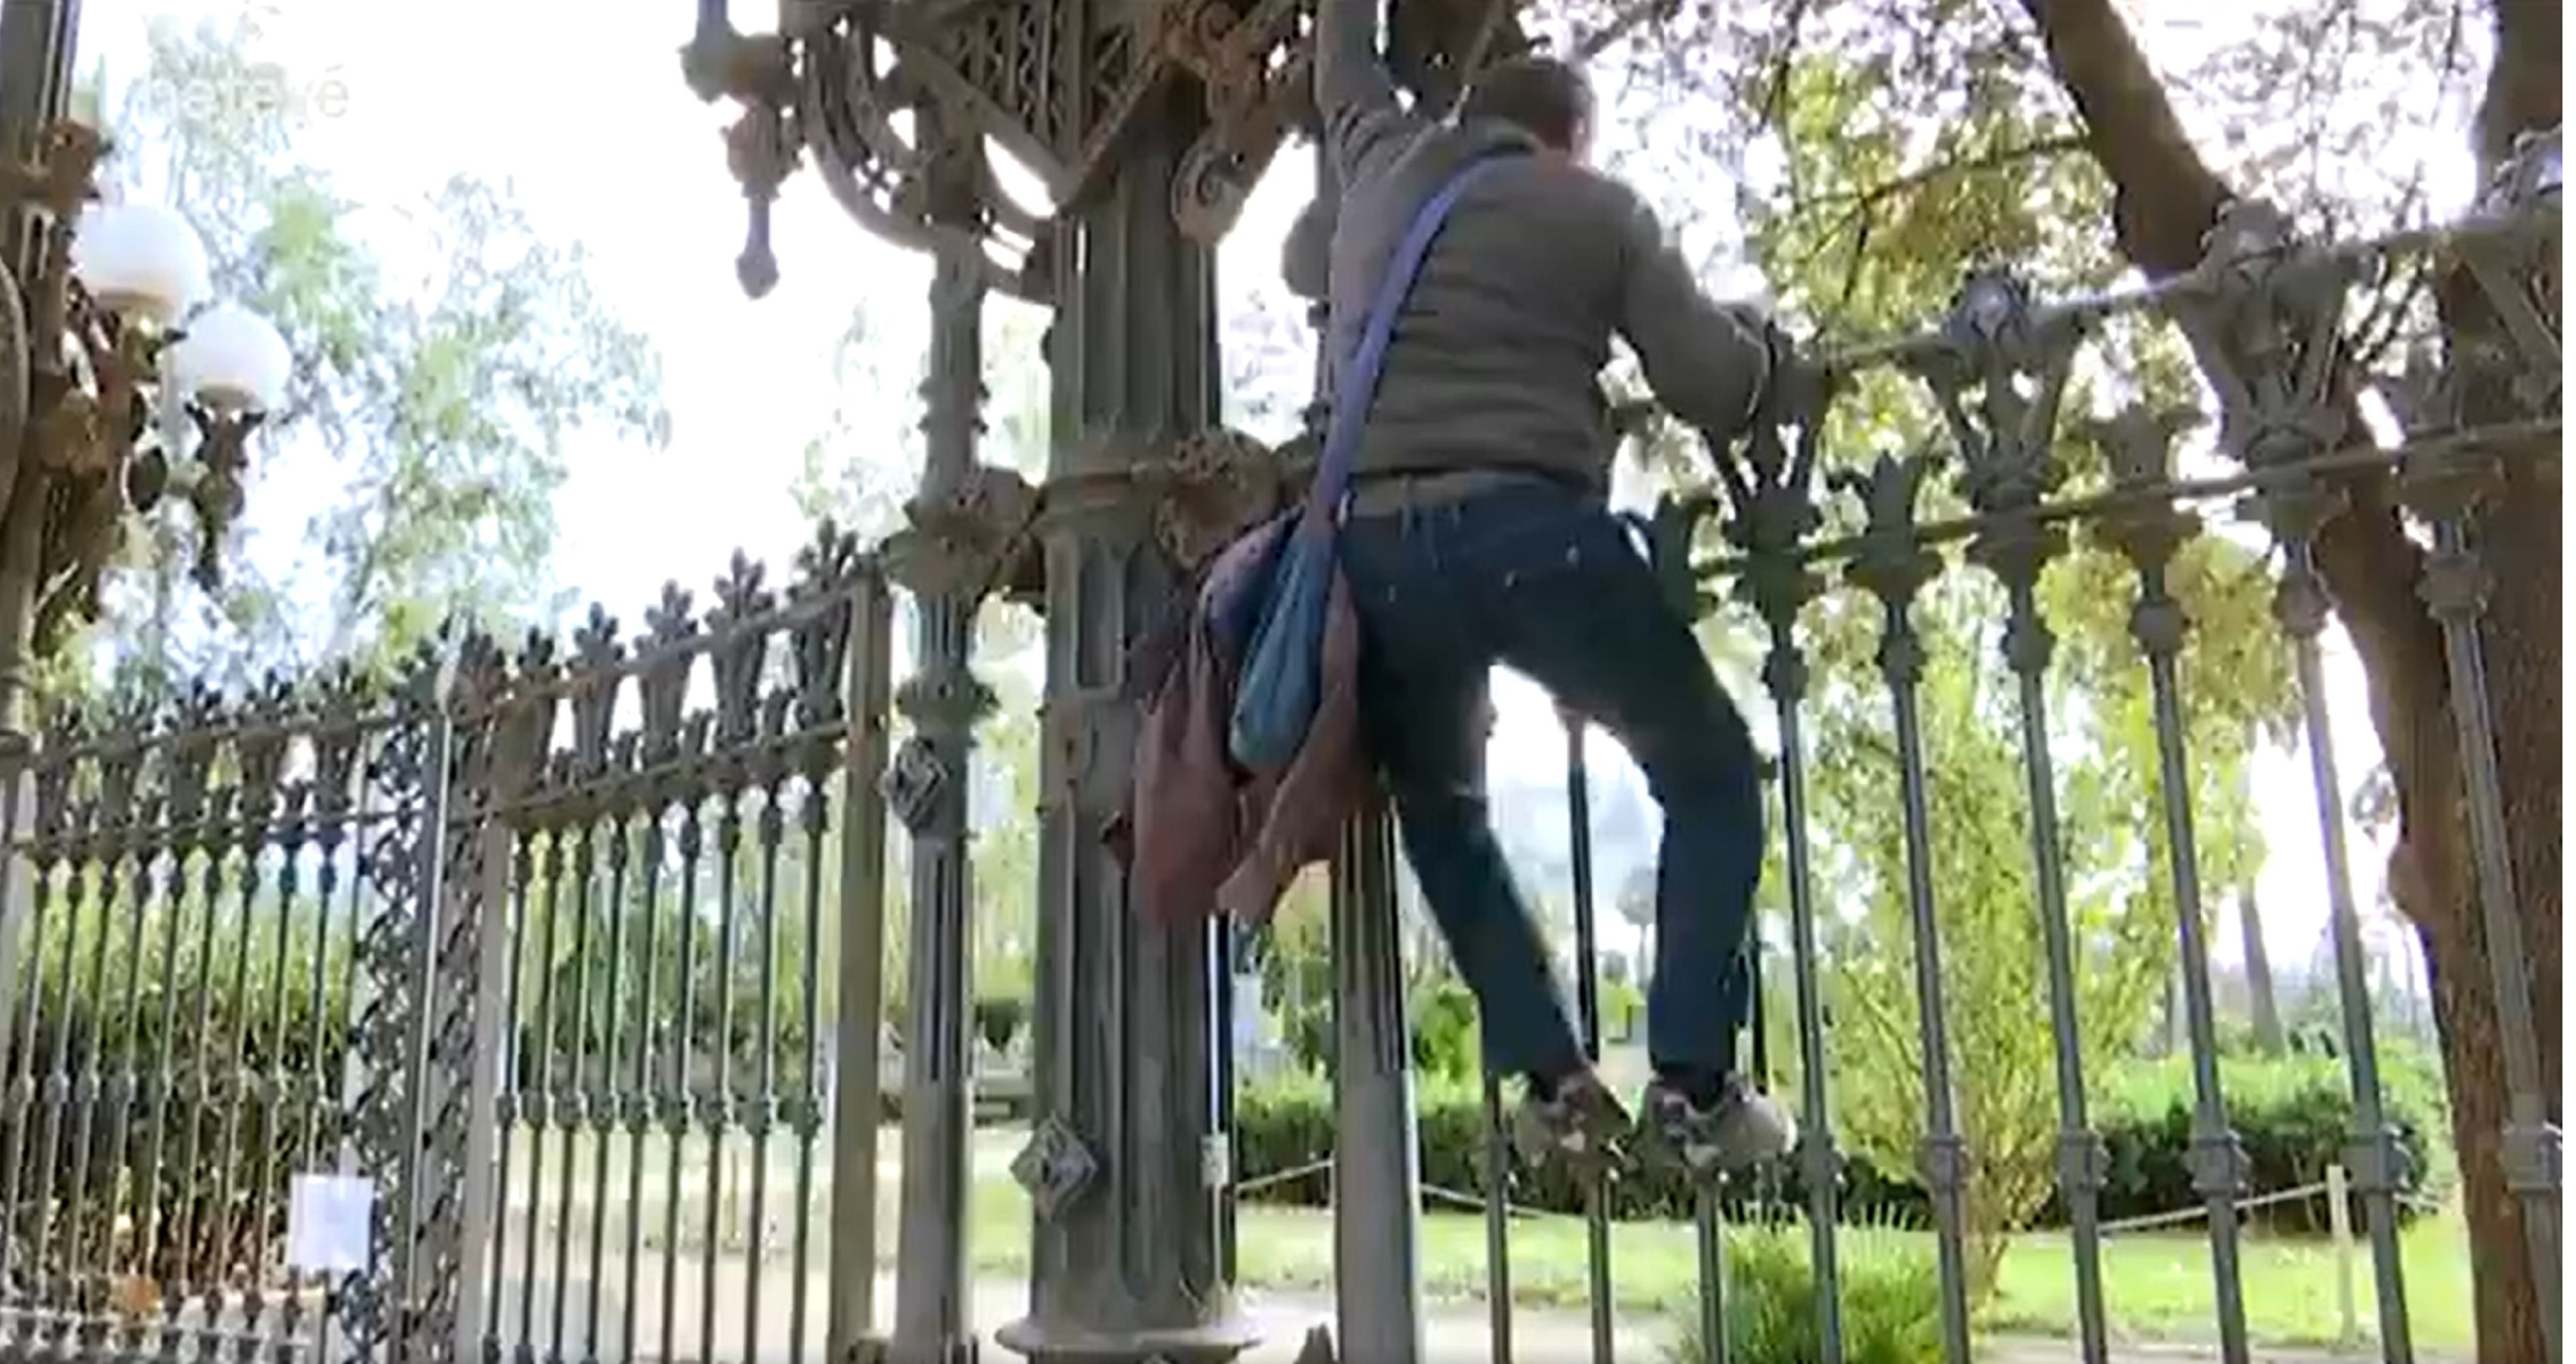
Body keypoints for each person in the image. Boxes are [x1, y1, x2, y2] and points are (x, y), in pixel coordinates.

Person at [1296, 0, 1795, 1174]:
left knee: (1446, 815)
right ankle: (1692, 1088)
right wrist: (1768, 354)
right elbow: (1710, 383)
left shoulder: (1374, 169)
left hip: (1377, 549)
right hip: (1528, 532)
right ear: (1571, 139)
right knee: (1708, 772)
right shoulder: (1594, 209)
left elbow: (1341, 71)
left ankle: (1558, 1084)